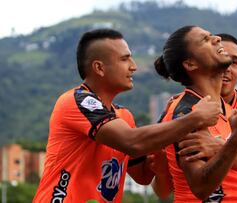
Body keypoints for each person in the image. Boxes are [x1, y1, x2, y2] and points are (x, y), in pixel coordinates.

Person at [32, 28, 222, 202]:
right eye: (125, 59)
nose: (134, 67)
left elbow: (143, 176)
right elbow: (132, 142)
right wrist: (195, 118)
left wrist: (162, 153)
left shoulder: (123, 117)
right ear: (99, 68)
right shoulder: (75, 101)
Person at [151, 32, 237, 202]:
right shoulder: (187, 113)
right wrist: (236, 138)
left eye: (235, 62)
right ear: (190, 63)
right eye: (207, 40)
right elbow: (199, 187)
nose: (216, 41)